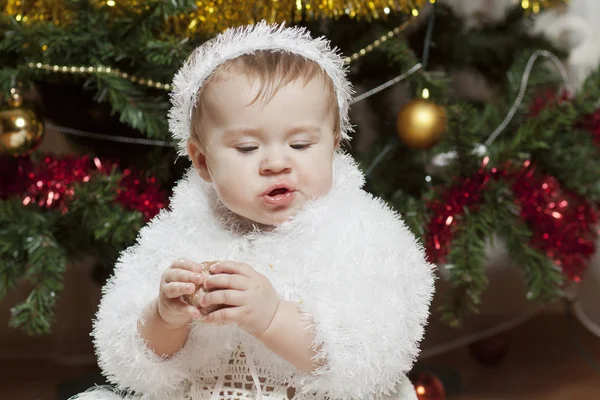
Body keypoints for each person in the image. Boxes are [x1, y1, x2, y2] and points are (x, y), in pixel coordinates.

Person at [73, 21, 435, 400]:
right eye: (247, 148)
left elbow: (366, 358)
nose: (276, 163)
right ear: (201, 160)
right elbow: (137, 360)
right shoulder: (181, 235)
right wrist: (166, 317)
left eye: (299, 144)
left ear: (333, 143)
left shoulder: (359, 235)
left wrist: (272, 317)